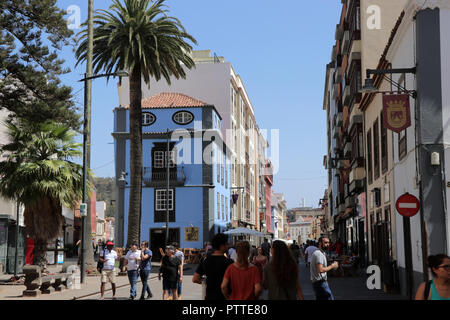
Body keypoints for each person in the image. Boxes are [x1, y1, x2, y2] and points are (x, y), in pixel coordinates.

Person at [193, 233, 234, 300]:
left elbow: (195, 279)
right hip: (224, 297)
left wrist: (207, 282)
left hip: (209, 296)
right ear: (221, 246)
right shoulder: (229, 262)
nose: (229, 246)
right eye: (227, 244)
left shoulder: (205, 260)